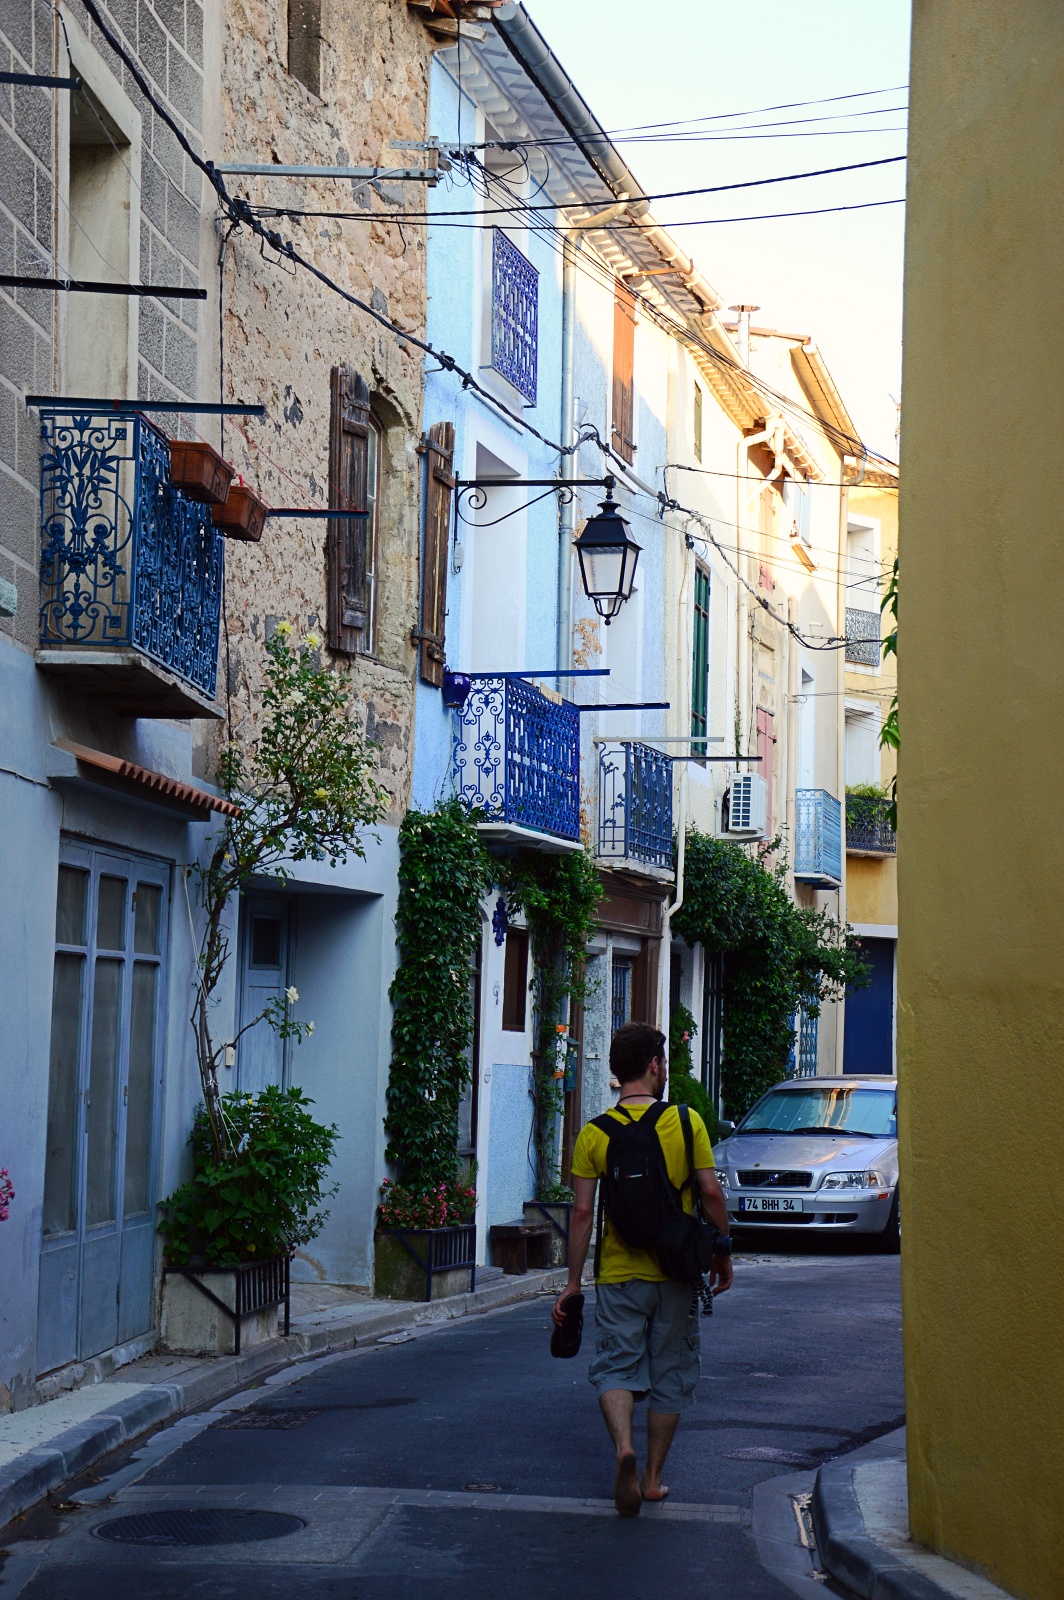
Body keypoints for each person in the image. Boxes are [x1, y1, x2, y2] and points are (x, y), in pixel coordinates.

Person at [551, 1021, 733, 1516]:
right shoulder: (686, 1121)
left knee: (615, 1365)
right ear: (655, 1066)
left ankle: (622, 1450)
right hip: (676, 1271)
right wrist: (723, 1249)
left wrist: (571, 1284)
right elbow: (710, 1191)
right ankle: (652, 1479)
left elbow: (584, 1213)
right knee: (670, 1371)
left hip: (618, 1273)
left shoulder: (593, 1134)